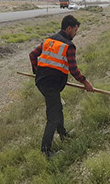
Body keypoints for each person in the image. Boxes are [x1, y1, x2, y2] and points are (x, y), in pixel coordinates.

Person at [29, 15, 94, 158]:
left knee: (57, 107)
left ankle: (63, 134)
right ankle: (46, 151)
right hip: (50, 84)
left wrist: (37, 71)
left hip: (42, 81)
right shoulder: (68, 46)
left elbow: (32, 55)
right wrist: (85, 82)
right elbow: (74, 70)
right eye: (75, 30)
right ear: (68, 28)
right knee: (53, 116)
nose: (76, 34)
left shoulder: (49, 40)